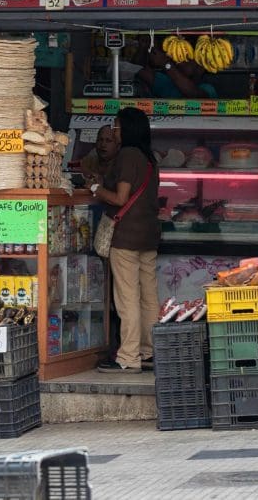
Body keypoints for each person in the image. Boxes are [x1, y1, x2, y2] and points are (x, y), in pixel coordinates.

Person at [89, 108, 161, 373]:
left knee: (127, 297)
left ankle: (128, 356)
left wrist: (97, 189)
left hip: (126, 237)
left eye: (116, 127)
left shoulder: (128, 155)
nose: (114, 132)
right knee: (148, 296)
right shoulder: (149, 158)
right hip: (148, 236)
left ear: (127, 130)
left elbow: (120, 199)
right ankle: (148, 350)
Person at [133, 35, 217, 99]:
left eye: (185, 59)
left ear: (200, 66)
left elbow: (194, 94)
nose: (178, 63)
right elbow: (137, 68)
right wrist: (143, 46)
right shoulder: (164, 81)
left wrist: (166, 64)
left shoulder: (208, 89)